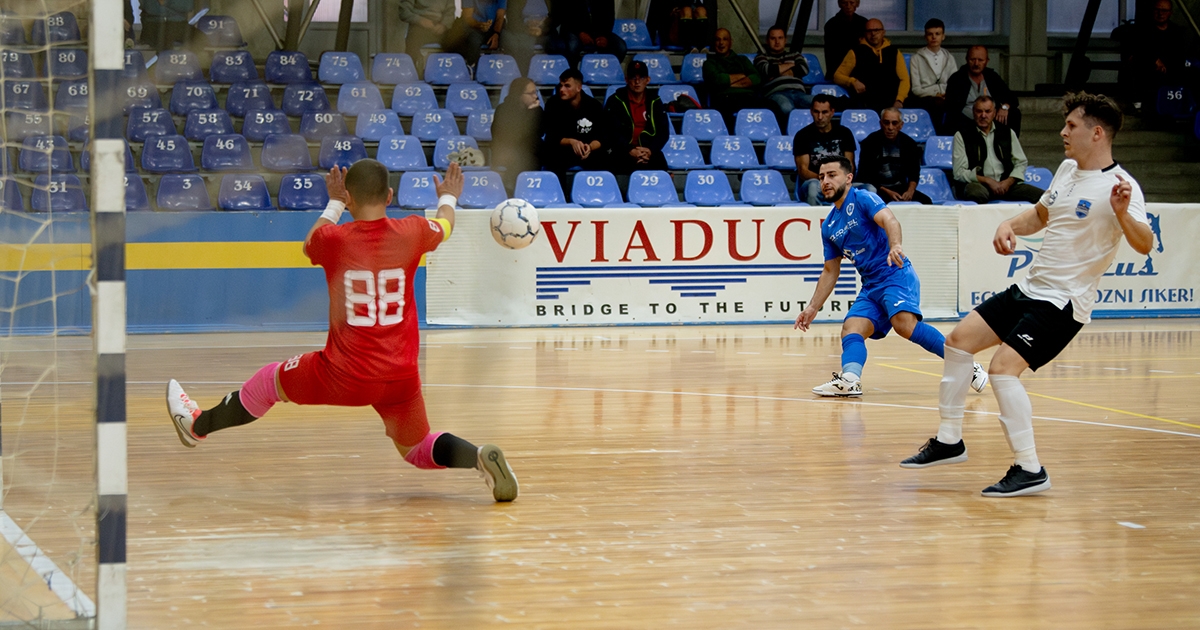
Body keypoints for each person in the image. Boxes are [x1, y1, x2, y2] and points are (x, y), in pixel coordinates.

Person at [166, 161, 519, 503]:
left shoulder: (335, 240)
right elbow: (446, 225)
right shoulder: (413, 232)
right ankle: (477, 456)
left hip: (343, 374)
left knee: (270, 381)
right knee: (416, 447)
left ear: (350, 197)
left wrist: (334, 202)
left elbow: (310, 242)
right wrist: (448, 196)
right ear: (390, 195)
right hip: (401, 376)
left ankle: (197, 426)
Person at [899, 92, 1152, 497]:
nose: (1063, 132)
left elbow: (1144, 244)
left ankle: (1029, 467)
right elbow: (1042, 213)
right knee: (959, 341)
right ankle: (949, 439)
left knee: (1001, 369)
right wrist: (1010, 224)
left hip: (1063, 302)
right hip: (1030, 288)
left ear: (1097, 133)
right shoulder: (1068, 170)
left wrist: (1122, 214)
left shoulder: (1122, 188)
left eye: (1071, 126)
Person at [794, 155, 987, 398]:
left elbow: (889, 219)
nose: (825, 181)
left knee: (904, 326)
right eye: (821, 177)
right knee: (852, 327)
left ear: (848, 177)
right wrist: (812, 307)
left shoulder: (862, 198)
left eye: (832, 175)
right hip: (871, 286)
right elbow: (831, 270)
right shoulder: (829, 225)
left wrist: (895, 245)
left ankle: (967, 366)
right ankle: (850, 379)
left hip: (894, 273)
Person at [952, 95, 1044, 204]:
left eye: (987, 111)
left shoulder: (1007, 132)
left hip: (1006, 185)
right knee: (976, 193)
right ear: (973, 112)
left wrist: (1008, 182)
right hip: (979, 184)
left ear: (994, 113)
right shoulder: (962, 135)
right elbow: (959, 173)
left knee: (1042, 196)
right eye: (979, 111)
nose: (983, 115)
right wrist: (987, 180)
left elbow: (1021, 162)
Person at [1117, 0, 1192, 111]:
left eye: (1164, 10)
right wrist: (1154, 60)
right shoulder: (1141, 31)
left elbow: (1179, 54)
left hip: (1170, 71)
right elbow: (1135, 52)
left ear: (1170, 13)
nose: (1160, 13)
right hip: (1147, 71)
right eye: (1157, 10)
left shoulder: (1177, 32)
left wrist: (1166, 65)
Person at [793, 94, 867, 206]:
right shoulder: (802, 136)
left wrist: (839, 181)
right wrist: (828, 180)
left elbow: (850, 165)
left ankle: (860, 223)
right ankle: (816, 221)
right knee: (813, 187)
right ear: (811, 112)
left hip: (840, 182)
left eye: (824, 112)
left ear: (832, 112)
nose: (820, 117)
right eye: (816, 112)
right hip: (815, 181)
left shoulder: (844, 133)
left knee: (869, 189)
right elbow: (803, 171)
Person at [541, 68, 611, 184]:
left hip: (587, 150)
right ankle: (560, 196)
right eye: (561, 85)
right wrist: (572, 142)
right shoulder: (553, 104)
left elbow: (603, 136)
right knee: (552, 156)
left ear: (579, 88)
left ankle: (599, 194)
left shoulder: (593, 106)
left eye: (567, 86)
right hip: (563, 150)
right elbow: (551, 137)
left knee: (605, 157)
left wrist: (590, 147)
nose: (562, 89)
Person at [605, 60, 670, 174]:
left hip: (647, 150)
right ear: (626, 80)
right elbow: (611, 132)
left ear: (648, 80)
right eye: (633, 77)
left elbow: (663, 132)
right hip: (622, 150)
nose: (637, 81)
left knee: (661, 164)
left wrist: (649, 151)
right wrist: (630, 150)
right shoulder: (615, 100)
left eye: (641, 77)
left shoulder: (655, 101)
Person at [832, 18, 910, 113]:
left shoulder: (894, 52)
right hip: (865, 104)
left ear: (883, 32)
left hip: (891, 103)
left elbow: (904, 79)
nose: (873, 34)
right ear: (865, 33)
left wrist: (899, 100)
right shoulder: (855, 52)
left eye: (876, 30)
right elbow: (837, 76)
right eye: (869, 31)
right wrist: (852, 81)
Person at [857, 108, 932, 205]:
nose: (890, 127)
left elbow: (914, 172)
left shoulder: (909, 144)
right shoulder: (869, 143)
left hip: (899, 188)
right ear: (880, 124)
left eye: (894, 123)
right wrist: (887, 192)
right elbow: (865, 175)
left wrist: (910, 191)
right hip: (877, 188)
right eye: (886, 123)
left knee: (926, 201)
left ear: (901, 125)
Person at [945, 46, 1021, 135]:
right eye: (972, 59)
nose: (976, 63)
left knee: (1014, 113)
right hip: (967, 120)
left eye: (980, 60)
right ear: (966, 59)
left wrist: (1004, 107)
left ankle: (1009, 146)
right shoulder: (957, 79)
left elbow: (1012, 98)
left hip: (991, 118)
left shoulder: (991, 76)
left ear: (987, 61)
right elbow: (951, 108)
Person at [703, 28, 766, 131]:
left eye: (725, 39)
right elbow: (717, 80)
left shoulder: (742, 60)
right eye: (718, 39)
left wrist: (728, 82)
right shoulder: (709, 63)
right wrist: (742, 76)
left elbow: (756, 78)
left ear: (731, 42)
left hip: (748, 98)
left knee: (773, 106)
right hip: (725, 99)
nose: (721, 43)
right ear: (714, 43)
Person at [754, 26, 813, 130]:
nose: (777, 41)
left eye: (780, 38)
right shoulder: (761, 57)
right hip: (776, 93)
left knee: (820, 104)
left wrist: (778, 71)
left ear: (785, 40)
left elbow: (803, 69)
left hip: (799, 93)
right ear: (767, 41)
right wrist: (791, 65)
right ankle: (793, 134)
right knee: (787, 107)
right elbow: (767, 70)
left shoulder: (795, 54)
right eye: (773, 38)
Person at [493, 77, 543, 193]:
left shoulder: (537, 110)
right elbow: (514, 137)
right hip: (508, 151)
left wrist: (532, 112)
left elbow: (540, 132)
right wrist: (529, 115)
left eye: (535, 92)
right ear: (519, 95)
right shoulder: (503, 110)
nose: (535, 96)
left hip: (532, 152)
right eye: (531, 93)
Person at [907, 18, 957, 130]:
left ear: (943, 36)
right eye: (930, 34)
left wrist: (945, 94)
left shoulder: (949, 58)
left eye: (937, 34)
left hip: (946, 97)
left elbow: (955, 85)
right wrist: (935, 93)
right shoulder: (916, 58)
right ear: (925, 36)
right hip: (925, 98)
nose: (934, 37)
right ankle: (936, 135)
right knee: (936, 104)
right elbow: (916, 89)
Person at [546, 0, 627, 68]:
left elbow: (609, 16)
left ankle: (608, 72)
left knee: (621, 46)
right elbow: (564, 16)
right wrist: (580, 33)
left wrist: (604, 35)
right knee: (572, 46)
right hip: (574, 30)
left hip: (599, 32)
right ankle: (572, 75)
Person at [444, 0, 507, 68]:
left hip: (494, 28)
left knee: (507, 39)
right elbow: (468, 18)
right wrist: (480, 25)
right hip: (473, 27)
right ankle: (471, 67)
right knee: (474, 39)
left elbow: (500, 17)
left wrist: (496, 34)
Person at [398, 0, 456, 74]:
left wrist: (443, 25)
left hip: (440, 25)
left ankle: (448, 74)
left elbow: (450, 12)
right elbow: (404, 12)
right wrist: (421, 21)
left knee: (455, 41)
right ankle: (412, 74)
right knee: (413, 41)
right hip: (418, 25)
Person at [502, 0, 549, 75]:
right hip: (523, 31)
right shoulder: (515, 1)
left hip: (545, 31)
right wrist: (529, 30)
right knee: (524, 44)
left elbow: (555, 17)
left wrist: (542, 30)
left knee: (557, 45)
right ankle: (523, 77)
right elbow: (513, 20)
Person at [822, 0, 868, 76]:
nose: (848, 6)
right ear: (839, 4)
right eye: (844, 3)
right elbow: (831, 55)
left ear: (857, 4)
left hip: (860, 70)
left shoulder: (864, 23)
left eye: (852, 3)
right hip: (838, 70)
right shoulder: (831, 25)